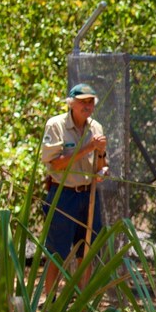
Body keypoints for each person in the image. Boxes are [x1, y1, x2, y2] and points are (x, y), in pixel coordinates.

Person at [40, 83, 109, 296]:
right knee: (57, 253)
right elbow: (55, 164)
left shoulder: (96, 128)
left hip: (88, 196)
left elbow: (101, 165)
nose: (87, 106)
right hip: (63, 194)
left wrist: (102, 165)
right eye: (83, 102)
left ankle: (81, 304)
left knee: (86, 252)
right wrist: (88, 147)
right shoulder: (56, 125)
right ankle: (51, 304)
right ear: (71, 103)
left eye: (90, 102)